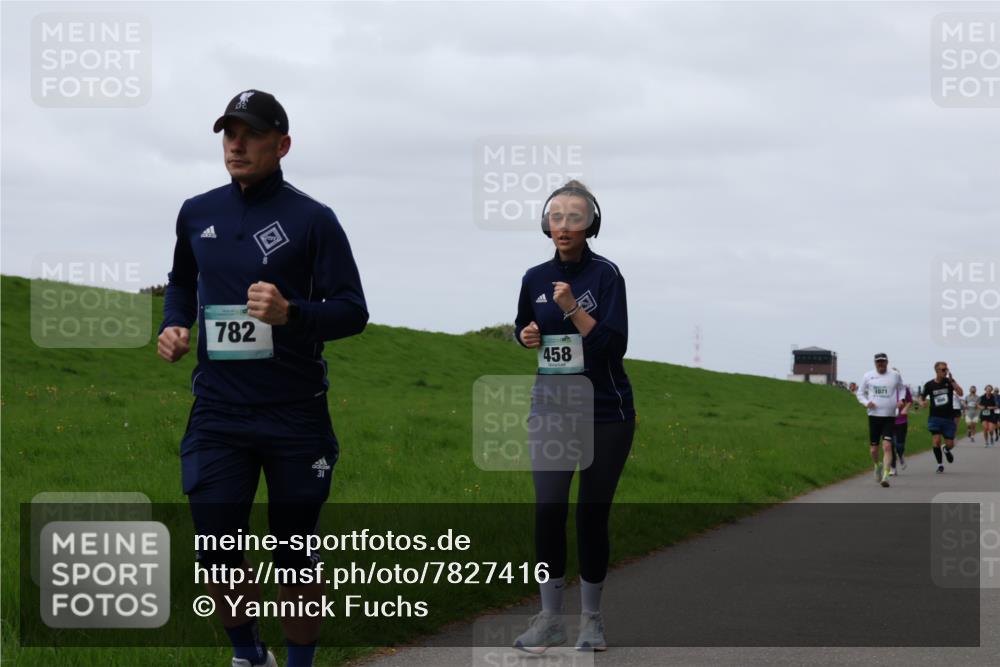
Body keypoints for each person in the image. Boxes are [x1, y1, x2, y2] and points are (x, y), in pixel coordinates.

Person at [158, 89, 368, 667]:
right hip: (219, 413)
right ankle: (249, 654)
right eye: (229, 132)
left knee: (294, 552)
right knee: (217, 547)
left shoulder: (313, 220)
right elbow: (180, 281)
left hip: (295, 413)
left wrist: (292, 313)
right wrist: (175, 325)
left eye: (250, 133)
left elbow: (353, 311)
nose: (236, 143)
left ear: (283, 144)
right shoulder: (197, 212)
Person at [511, 181, 635, 653]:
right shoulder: (533, 277)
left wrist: (572, 309)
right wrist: (525, 335)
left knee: (591, 514)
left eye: (575, 217)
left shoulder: (607, 276)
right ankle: (549, 618)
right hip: (552, 410)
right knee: (547, 511)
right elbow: (529, 328)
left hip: (606, 411)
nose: (564, 226)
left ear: (591, 224)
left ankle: (592, 620)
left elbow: (613, 345)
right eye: (557, 217)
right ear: (547, 223)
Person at [856, 353, 905, 487]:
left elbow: (902, 388)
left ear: (887, 362)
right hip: (874, 416)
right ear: (875, 363)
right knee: (873, 450)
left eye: (883, 362)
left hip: (889, 416)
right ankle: (877, 465)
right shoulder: (868, 376)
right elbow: (859, 393)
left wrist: (901, 400)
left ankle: (885, 476)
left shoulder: (894, 375)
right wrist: (866, 403)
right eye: (878, 362)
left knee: (887, 446)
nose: (881, 364)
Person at [919, 362, 964, 473]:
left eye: (946, 369)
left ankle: (946, 449)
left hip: (948, 418)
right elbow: (922, 397)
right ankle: (940, 465)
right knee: (937, 440)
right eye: (943, 370)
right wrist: (922, 402)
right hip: (935, 417)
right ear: (937, 371)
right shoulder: (929, 385)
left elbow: (961, 393)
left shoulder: (949, 382)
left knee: (950, 444)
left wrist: (953, 381)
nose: (945, 371)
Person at [889, 372, 913, 475]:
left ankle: (901, 455)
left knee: (899, 445)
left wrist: (905, 409)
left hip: (901, 420)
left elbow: (910, 401)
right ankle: (893, 468)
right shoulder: (885, 389)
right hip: (888, 420)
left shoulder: (903, 389)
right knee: (890, 445)